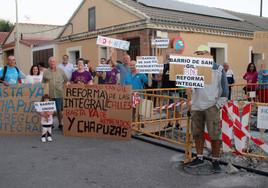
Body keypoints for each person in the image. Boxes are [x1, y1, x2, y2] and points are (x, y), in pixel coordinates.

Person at [187, 45, 229, 172]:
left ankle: (215, 160)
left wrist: (217, 105)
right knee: (197, 133)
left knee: (214, 135)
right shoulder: (192, 68)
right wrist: (188, 92)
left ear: (208, 55)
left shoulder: (218, 69)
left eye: (201, 53)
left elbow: (224, 90)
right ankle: (200, 157)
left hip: (211, 106)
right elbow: (188, 86)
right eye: (197, 54)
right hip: (196, 106)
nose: (199, 56)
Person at [42, 56, 68, 130]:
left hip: (59, 93)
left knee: (59, 110)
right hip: (49, 95)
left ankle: (60, 124)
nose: (52, 63)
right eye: (50, 61)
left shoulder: (61, 71)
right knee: (51, 110)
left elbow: (66, 80)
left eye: (53, 61)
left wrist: (67, 84)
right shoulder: (46, 72)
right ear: (48, 63)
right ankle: (51, 123)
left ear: (55, 62)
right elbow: (43, 83)